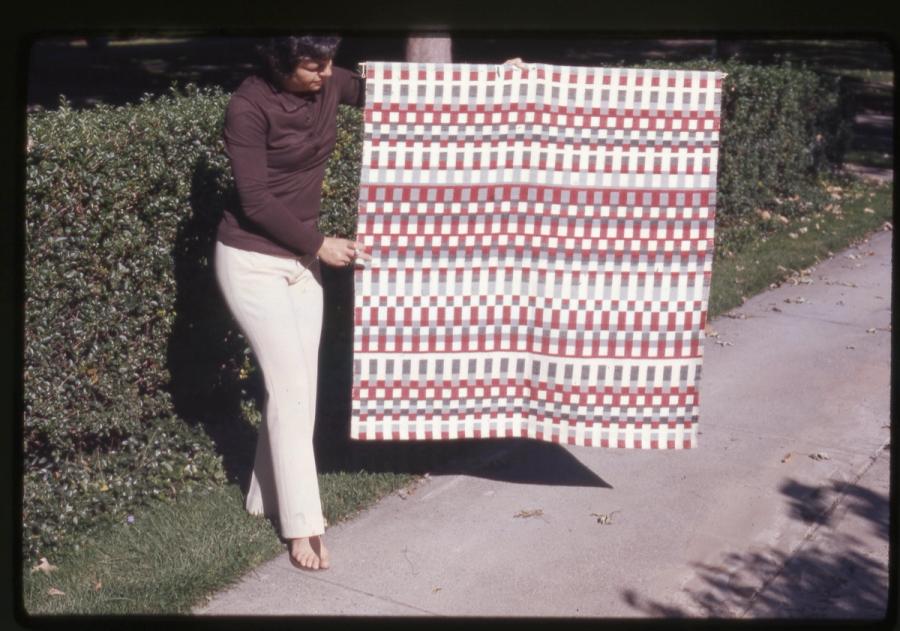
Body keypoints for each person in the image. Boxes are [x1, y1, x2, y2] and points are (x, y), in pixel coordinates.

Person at [214, 35, 371, 571]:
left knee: (299, 381)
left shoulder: (329, 84)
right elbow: (254, 199)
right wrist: (318, 245)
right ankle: (304, 526)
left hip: (301, 264)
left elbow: (394, 90)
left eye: (329, 62)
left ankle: (262, 497)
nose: (327, 74)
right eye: (312, 66)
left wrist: (497, 77)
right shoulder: (247, 107)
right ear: (279, 62)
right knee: (292, 389)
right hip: (251, 261)